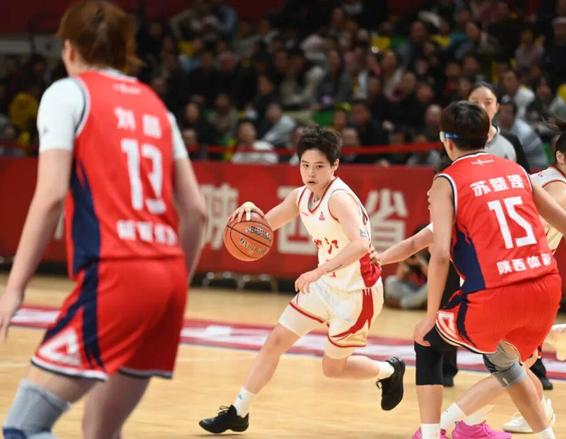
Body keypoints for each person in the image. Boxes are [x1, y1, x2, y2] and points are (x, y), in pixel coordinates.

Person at [0, 1, 208, 438]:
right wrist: (173, 286)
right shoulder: (156, 106)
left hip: (118, 274)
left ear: (69, 48)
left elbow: (51, 196)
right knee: (102, 433)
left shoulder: (67, 94)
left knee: (23, 429)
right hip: (168, 278)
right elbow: (196, 211)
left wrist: (13, 289)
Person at [198, 126, 405, 434]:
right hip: (323, 286)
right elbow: (263, 229)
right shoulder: (300, 197)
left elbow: (361, 245)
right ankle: (238, 412)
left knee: (332, 369)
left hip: (357, 292)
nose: (310, 172)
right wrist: (250, 210)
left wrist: (317, 271)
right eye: (305, 165)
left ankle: (389, 370)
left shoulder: (339, 199)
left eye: (319, 166)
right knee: (275, 342)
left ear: (335, 166)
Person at [412, 101, 566, 439]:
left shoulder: (450, 181)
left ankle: (436, 430)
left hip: (500, 286)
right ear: (488, 135)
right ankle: (490, 427)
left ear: (446, 140)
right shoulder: (516, 171)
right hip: (542, 284)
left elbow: (439, 253)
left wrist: (430, 314)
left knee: (430, 342)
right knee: (512, 366)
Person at [467, 82, 530, 171]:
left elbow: (524, 175)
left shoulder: (511, 140)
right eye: (475, 102)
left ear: (497, 107)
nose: (481, 108)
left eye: (488, 102)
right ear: (466, 106)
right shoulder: (457, 141)